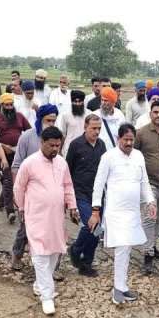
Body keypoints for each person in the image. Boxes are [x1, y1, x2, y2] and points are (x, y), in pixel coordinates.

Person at [14, 126, 78, 315]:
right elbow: (19, 188)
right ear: (42, 142)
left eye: (58, 145)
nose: (55, 149)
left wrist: (72, 205)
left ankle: (40, 285)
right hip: (35, 216)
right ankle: (47, 297)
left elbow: (68, 186)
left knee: (54, 252)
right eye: (51, 145)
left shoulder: (62, 163)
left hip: (56, 217)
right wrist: (21, 208)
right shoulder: (29, 163)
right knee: (40, 255)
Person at [89, 124, 156, 304]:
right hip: (115, 212)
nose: (128, 143)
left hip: (133, 212)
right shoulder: (108, 157)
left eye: (131, 140)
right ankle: (118, 289)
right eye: (125, 139)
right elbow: (98, 184)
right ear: (118, 139)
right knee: (122, 247)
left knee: (126, 248)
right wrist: (95, 210)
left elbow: (144, 182)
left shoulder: (138, 156)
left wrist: (150, 201)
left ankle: (122, 286)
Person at [10, 104, 59, 269]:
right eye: (48, 120)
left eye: (54, 121)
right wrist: (17, 194)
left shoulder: (57, 138)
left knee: (55, 228)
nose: (51, 124)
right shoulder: (27, 137)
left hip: (50, 193)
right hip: (29, 192)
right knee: (26, 228)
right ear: (40, 120)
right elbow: (16, 165)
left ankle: (53, 266)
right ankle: (17, 255)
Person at [133, 101, 159, 274]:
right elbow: (134, 157)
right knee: (149, 219)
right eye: (155, 112)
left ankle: (153, 246)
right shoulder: (141, 133)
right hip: (149, 185)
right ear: (150, 114)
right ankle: (147, 255)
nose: (158, 115)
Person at [66, 114, 107, 277]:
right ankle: (76, 250)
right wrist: (68, 198)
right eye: (93, 128)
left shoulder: (101, 145)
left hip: (97, 195)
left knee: (96, 231)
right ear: (85, 127)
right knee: (92, 225)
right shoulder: (76, 145)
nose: (96, 132)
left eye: (99, 129)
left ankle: (86, 263)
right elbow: (67, 170)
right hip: (80, 193)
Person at [0, 93, 31, 223]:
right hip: (2, 154)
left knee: (16, 180)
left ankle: (3, 201)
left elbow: (29, 132)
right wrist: (3, 146)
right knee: (8, 181)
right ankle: (10, 211)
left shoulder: (20, 116)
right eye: (6, 105)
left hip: (18, 153)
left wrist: (22, 145)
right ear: (1, 105)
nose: (9, 107)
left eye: (11, 104)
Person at [57, 90, 87, 157]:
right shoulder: (65, 115)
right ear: (71, 101)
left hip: (85, 149)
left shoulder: (89, 114)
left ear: (83, 102)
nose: (77, 104)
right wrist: (60, 150)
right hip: (68, 149)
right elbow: (63, 135)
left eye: (79, 101)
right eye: (75, 101)